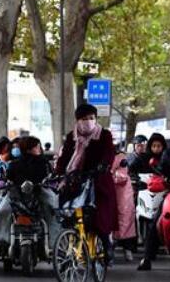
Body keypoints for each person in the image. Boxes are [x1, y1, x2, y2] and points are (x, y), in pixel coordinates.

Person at [55, 104, 118, 264]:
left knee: (99, 217)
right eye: (84, 119)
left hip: (98, 181)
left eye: (92, 118)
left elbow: (109, 153)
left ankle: (106, 245)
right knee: (68, 215)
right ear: (77, 121)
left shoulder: (104, 135)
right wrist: (59, 171)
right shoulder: (71, 137)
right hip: (75, 181)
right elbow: (64, 157)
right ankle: (66, 251)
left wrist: (103, 166)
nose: (88, 121)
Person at [136, 133, 168, 271]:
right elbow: (132, 169)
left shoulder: (168, 157)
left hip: (166, 193)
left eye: (159, 146)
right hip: (147, 193)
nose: (156, 148)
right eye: (154, 146)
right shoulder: (143, 158)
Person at [111, 151, 136, 262]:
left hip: (122, 194)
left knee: (125, 220)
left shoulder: (120, 158)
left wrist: (109, 175)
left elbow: (122, 177)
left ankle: (127, 249)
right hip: (110, 192)